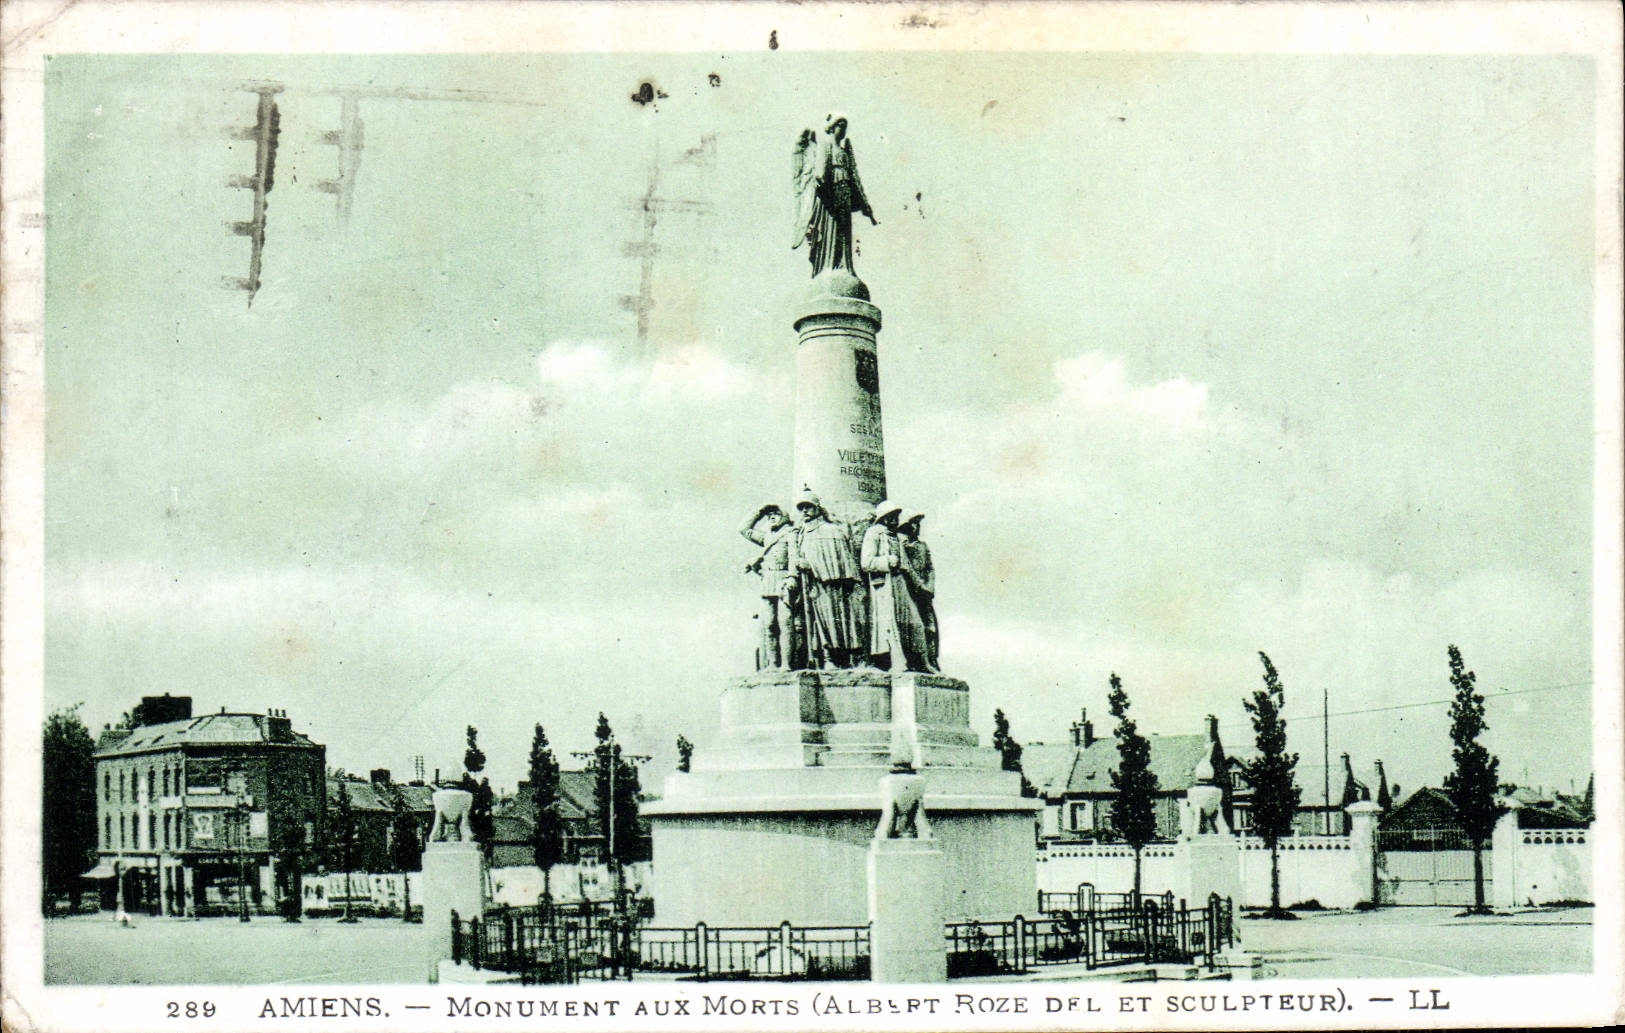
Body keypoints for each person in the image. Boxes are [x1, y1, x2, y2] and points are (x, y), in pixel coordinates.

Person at [792, 113, 878, 277]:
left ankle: (844, 266)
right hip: (830, 197)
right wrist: (819, 180)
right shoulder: (826, 145)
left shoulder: (845, 151)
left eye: (845, 127)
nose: (843, 130)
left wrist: (865, 205)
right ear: (832, 127)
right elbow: (821, 170)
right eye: (840, 126)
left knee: (844, 230)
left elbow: (855, 178)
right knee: (831, 228)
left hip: (844, 194)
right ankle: (828, 265)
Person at [790, 489, 865, 668]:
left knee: (843, 622)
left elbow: (844, 560)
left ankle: (849, 657)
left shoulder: (832, 530)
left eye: (808, 507)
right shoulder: (800, 535)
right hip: (815, 586)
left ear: (817, 508)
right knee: (821, 623)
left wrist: (812, 566)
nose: (804, 511)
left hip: (836, 586)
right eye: (801, 508)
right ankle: (828, 657)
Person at [860, 501, 933, 672]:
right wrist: (886, 561)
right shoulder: (874, 534)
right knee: (890, 624)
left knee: (914, 622)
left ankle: (923, 661)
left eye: (896, 515)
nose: (895, 519)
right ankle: (898, 662)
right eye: (892, 516)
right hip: (884, 585)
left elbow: (906, 565)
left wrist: (921, 587)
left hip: (900, 583)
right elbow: (866, 562)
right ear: (884, 518)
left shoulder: (895, 537)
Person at [739, 503, 799, 669]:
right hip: (768, 581)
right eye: (769, 515)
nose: (771, 518)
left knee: (785, 622)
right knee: (769, 624)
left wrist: (792, 577)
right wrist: (759, 510)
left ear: (784, 517)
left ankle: (786, 663)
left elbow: (794, 557)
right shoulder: (766, 536)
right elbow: (743, 529)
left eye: (776, 514)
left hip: (783, 581)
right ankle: (773, 663)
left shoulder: (790, 534)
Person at [898, 510, 939, 672]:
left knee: (931, 627)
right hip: (912, 591)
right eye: (913, 524)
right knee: (915, 626)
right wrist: (920, 586)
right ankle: (916, 661)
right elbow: (907, 568)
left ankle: (932, 658)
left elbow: (930, 568)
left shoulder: (922, 545)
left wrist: (930, 586)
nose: (917, 527)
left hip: (925, 593)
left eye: (918, 524)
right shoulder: (903, 546)